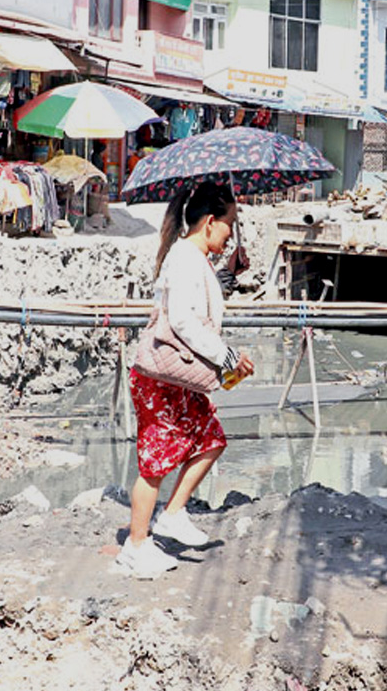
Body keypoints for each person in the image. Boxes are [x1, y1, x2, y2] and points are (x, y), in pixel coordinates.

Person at [116, 182, 255, 577]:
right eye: (229, 224)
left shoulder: (195, 258)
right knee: (155, 463)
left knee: (210, 440)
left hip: (179, 381)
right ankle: (135, 544)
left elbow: (200, 303)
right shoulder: (184, 257)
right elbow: (182, 320)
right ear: (210, 222)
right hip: (160, 381)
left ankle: (172, 515)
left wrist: (228, 273)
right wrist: (227, 357)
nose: (231, 234)